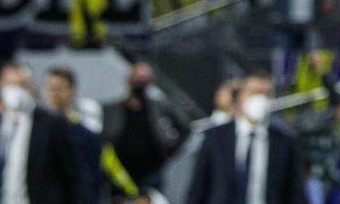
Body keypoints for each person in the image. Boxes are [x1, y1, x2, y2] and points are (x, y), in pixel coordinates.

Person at [186, 72, 307, 204]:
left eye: (266, 94)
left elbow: (295, 193)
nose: (260, 99)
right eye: (254, 92)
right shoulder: (215, 137)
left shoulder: (285, 142)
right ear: (240, 97)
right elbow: (198, 189)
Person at [0, 63, 81, 204]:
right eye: (9, 84)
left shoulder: (51, 124)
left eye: (21, 85)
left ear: (31, 87)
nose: (14, 91)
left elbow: (74, 175)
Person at [104, 61, 190, 194]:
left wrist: (170, 149)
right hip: (120, 172)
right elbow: (105, 137)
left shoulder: (158, 107)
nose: (139, 82)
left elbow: (184, 127)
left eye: (144, 78)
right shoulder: (113, 109)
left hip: (152, 171)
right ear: (129, 79)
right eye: (137, 77)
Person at [44, 67, 104, 203]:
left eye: (59, 88)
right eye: (50, 88)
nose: (54, 93)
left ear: (72, 90)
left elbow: (92, 178)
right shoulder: (37, 131)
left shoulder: (86, 135)